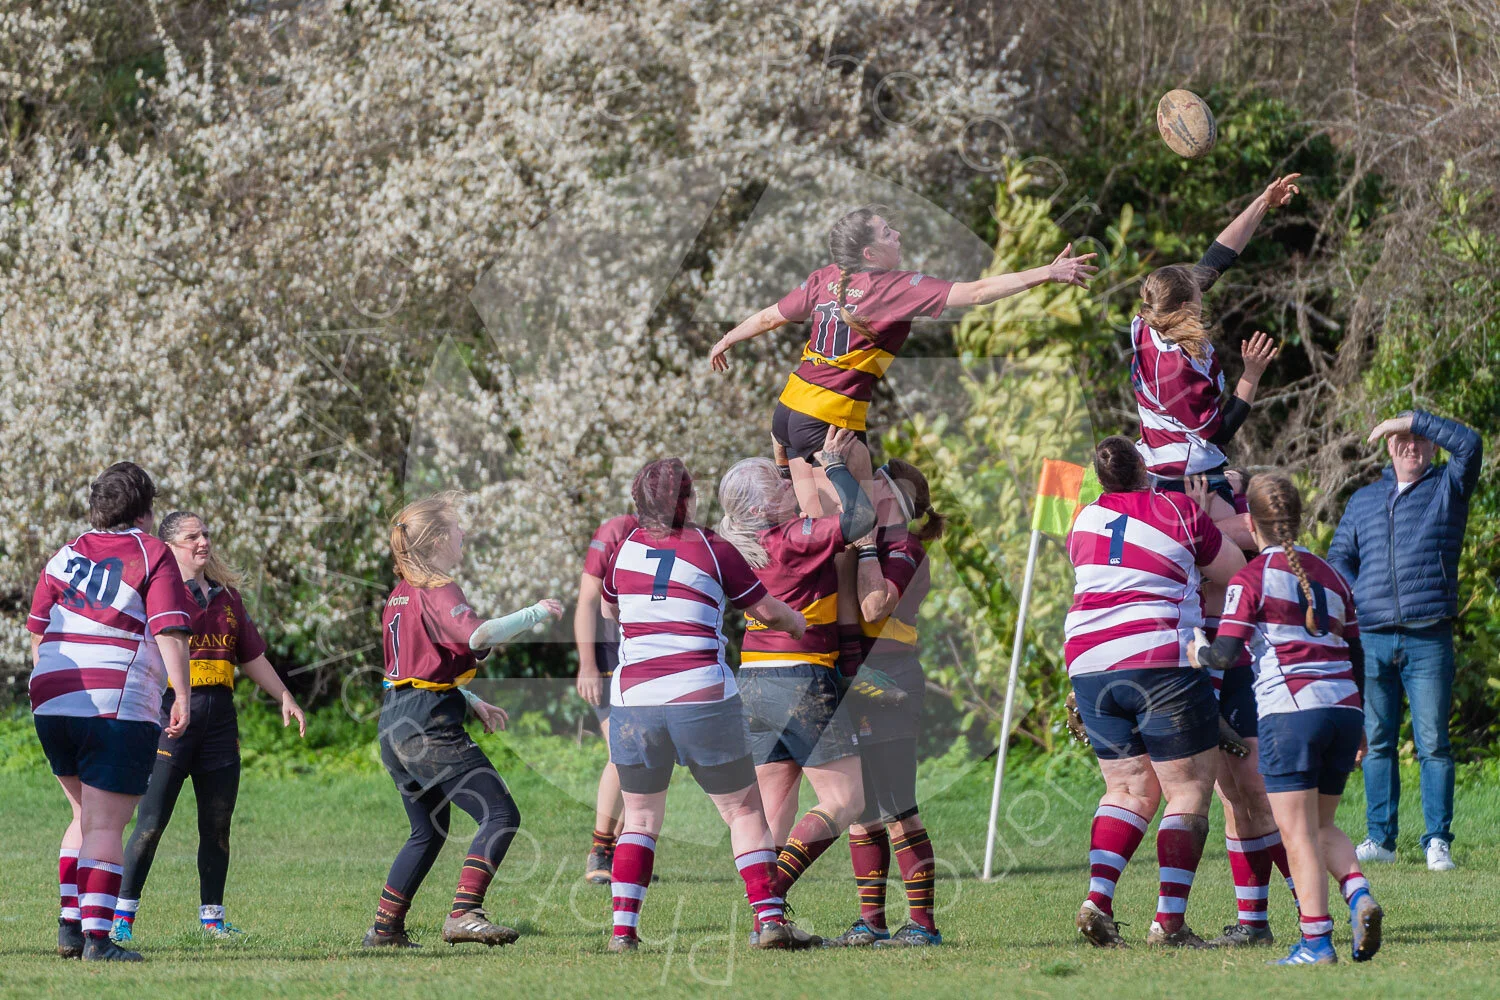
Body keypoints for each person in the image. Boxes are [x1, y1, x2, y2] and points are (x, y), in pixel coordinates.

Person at [709, 205, 1096, 515]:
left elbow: (769, 318)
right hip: (829, 421)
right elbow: (977, 293)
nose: (897, 235)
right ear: (869, 254)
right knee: (854, 531)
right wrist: (1048, 273)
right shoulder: (894, 288)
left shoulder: (825, 276)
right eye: (886, 233)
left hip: (789, 410)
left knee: (812, 529)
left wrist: (726, 339)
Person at [599, 458, 815, 952]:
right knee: (743, 810)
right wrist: (798, 624)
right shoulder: (713, 548)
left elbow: (611, 605)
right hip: (700, 695)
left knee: (639, 819)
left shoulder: (624, 548)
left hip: (634, 700)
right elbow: (766, 610)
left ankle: (623, 933)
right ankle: (769, 921)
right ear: (688, 500)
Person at [1192, 473, 1383, 966]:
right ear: (1297, 519)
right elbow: (1356, 653)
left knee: (1297, 833)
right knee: (1321, 825)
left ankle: (1316, 943)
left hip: (1291, 713)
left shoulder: (1251, 578)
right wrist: (1361, 722)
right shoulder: (1333, 575)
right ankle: (1359, 894)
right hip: (1343, 709)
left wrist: (1197, 652)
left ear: (1250, 524)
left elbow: (1226, 654)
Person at [1064, 438, 1244, 949]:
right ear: (1144, 468)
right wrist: (1204, 518)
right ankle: (1168, 923)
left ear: (1101, 479)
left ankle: (1097, 901)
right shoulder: (1179, 509)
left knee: (1127, 791)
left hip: (1090, 661)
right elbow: (1233, 571)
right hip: (1159, 656)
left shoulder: (1082, 520)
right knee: (1186, 790)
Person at [363, 491, 564, 949]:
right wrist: (535, 612)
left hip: (394, 722)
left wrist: (468, 698)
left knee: (427, 831)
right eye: (456, 528)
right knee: (500, 814)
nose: (464, 534)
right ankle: (464, 913)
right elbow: (478, 635)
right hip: (427, 726)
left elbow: (414, 668)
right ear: (437, 540)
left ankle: (385, 930)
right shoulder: (439, 588)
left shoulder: (399, 594)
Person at [28, 462, 197, 962]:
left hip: (51, 696)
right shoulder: (151, 551)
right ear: (145, 510)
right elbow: (168, 628)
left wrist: (52, 692)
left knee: (83, 814)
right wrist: (181, 694)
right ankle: (99, 942)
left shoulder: (65, 554)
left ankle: (70, 928)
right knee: (105, 825)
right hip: (113, 701)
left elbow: (38, 629)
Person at [112, 512, 307, 943]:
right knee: (151, 822)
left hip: (219, 721)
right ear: (169, 546)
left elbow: (251, 656)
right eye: (192, 536)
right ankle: (121, 919)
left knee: (217, 826)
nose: (203, 541)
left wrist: (285, 696)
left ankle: (212, 920)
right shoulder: (156, 592)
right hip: (170, 717)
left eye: (205, 534)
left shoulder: (227, 597)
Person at [717, 427, 875, 904]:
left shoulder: (741, 545)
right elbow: (861, 518)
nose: (788, 483)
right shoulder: (791, 538)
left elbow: (790, 494)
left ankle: (769, 919)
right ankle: (771, 893)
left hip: (754, 681)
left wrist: (784, 450)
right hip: (800, 677)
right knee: (846, 800)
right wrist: (834, 464)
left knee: (772, 815)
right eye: (777, 483)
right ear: (759, 510)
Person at [1328, 410, 1481, 871]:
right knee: (1377, 742)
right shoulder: (1364, 500)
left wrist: (1413, 418)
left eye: (1418, 438)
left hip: (1428, 634)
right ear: (1389, 448)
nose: (1411, 445)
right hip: (1373, 636)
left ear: (1432, 446)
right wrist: (1360, 597)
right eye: (1401, 438)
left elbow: (1470, 444)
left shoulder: (1448, 487)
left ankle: (1437, 841)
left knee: (1433, 743)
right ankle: (1381, 839)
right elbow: (1339, 558)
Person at [1129, 174, 1300, 547]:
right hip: (1184, 478)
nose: (1203, 290)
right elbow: (1219, 432)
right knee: (1265, 534)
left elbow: (1215, 259)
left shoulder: (1147, 320)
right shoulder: (1175, 369)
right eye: (1197, 293)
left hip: (1170, 463)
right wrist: (1251, 374)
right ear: (1185, 306)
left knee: (1249, 500)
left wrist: (1263, 202)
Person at [824, 458, 947, 948]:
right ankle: (871, 922)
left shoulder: (903, 546)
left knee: (898, 807)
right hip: (855, 681)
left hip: (891, 679)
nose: (860, 486)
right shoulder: (867, 541)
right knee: (863, 812)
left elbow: (876, 608)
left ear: (892, 497)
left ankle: (923, 925)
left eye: (871, 481)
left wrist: (866, 548)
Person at [1182, 475, 1299, 949]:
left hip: (1238, 660)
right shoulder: (1175, 500)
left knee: (1259, 791)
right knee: (1232, 798)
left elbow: (1234, 547)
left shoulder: (1231, 501)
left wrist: (1201, 519)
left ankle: (1313, 908)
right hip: (1201, 655)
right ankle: (1253, 922)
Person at [575, 511, 638, 884]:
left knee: (646, 758)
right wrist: (587, 664)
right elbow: (587, 602)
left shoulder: (683, 534)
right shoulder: (616, 530)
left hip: (648, 658)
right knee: (623, 752)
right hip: (610, 659)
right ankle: (600, 851)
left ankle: (623, 853)